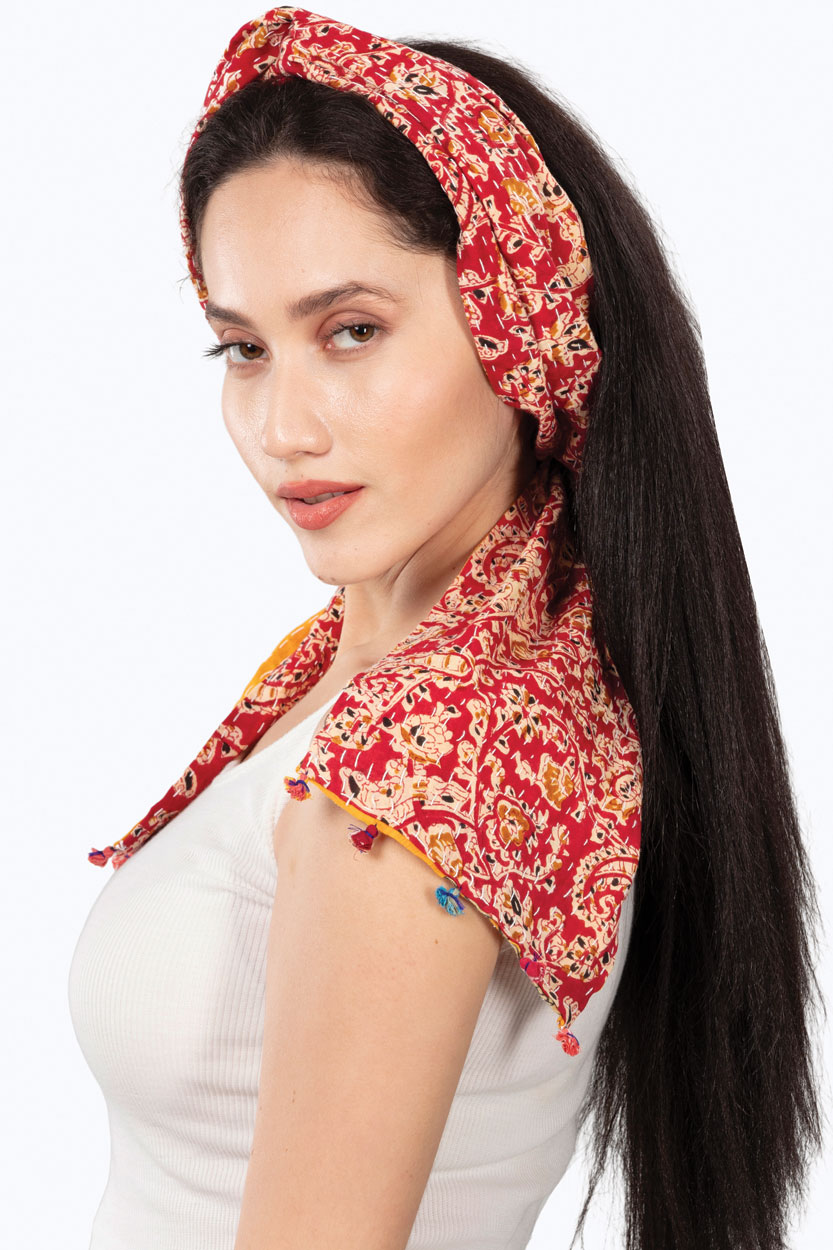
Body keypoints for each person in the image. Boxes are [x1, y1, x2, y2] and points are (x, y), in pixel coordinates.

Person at [67, 7, 824, 1250]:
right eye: (242, 347)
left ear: (518, 324)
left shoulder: (432, 745)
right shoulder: (460, 669)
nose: (283, 427)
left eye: (351, 330)